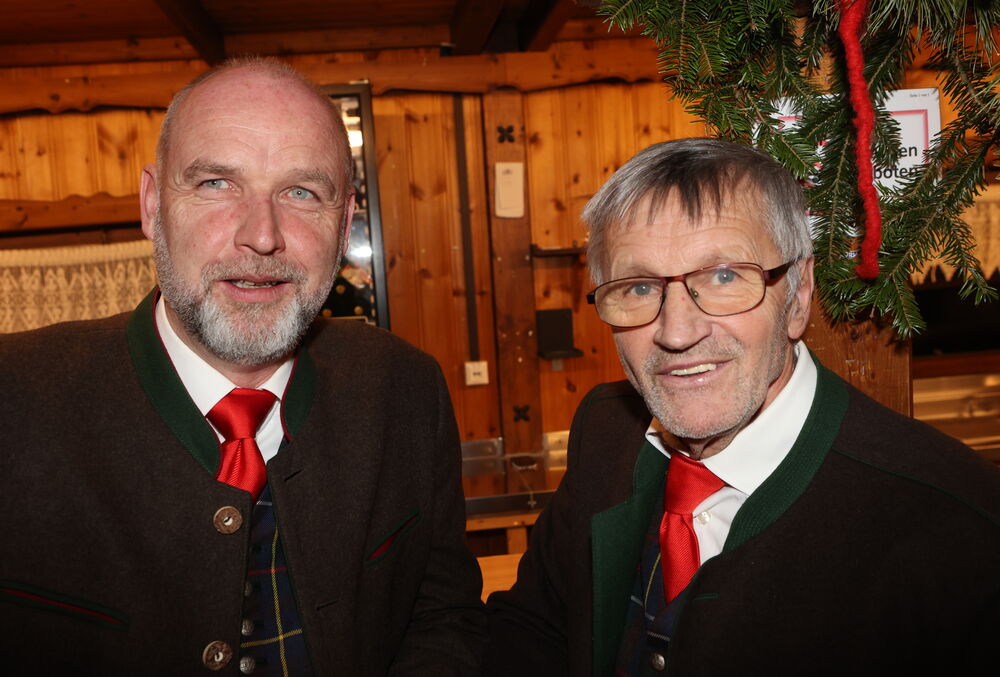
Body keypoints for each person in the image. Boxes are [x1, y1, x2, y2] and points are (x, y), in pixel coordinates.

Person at [0, 58, 485, 675]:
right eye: (216, 184)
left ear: (344, 225)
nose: (262, 235)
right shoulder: (14, 404)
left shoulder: (405, 389)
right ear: (152, 205)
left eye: (302, 192)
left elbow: (442, 618)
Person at [484, 138, 1000, 676]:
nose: (677, 333)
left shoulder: (955, 524)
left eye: (724, 276)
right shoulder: (606, 431)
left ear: (797, 296)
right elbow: (531, 630)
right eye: (638, 287)